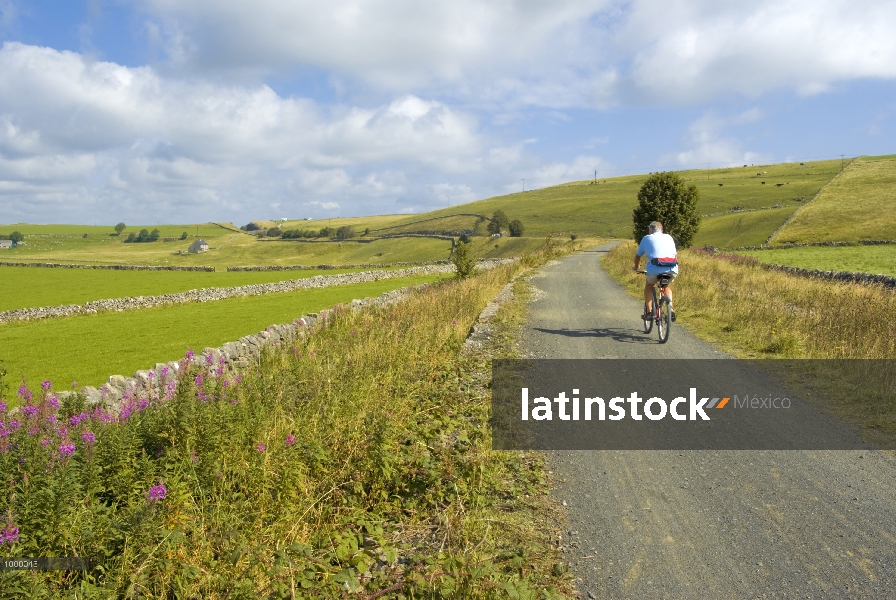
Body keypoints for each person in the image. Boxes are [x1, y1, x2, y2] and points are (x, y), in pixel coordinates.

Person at [633, 221, 678, 321]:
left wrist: (636, 267)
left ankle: (649, 312)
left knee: (649, 286)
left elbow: (638, 256)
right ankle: (670, 307)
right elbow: (675, 256)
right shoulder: (669, 237)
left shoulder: (646, 238)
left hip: (655, 269)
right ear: (662, 230)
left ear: (651, 230)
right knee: (666, 286)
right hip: (672, 268)